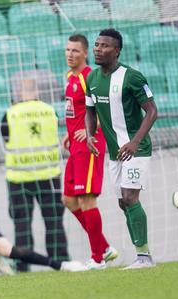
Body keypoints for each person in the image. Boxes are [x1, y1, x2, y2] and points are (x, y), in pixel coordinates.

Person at [85, 29, 158, 269]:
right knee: (122, 202)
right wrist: (89, 134)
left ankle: (144, 258)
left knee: (129, 197)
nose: (98, 49)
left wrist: (135, 142)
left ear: (117, 51)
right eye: (96, 44)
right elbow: (90, 110)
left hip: (136, 149)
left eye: (104, 45)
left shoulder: (132, 77)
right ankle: (142, 255)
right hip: (115, 153)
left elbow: (152, 111)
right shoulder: (92, 79)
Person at [61, 33, 119, 269]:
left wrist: (91, 130)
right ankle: (104, 247)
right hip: (75, 146)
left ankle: (98, 258)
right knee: (68, 199)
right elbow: (77, 110)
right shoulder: (69, 77)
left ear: (85, 53)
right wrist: (70, 131)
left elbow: (104, 108)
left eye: (75, 51)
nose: (70, 55)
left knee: (86, 200)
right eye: (67, 50)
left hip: (89, 146)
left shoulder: (90, 77)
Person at [1, 78, 69, 272]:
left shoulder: (10, 114)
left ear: (19, 94)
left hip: (19, 179)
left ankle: (23, 266)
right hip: (49, 176)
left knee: (22, 225)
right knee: (54, 222)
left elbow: (6, 140)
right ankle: (61, 261)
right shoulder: (50, 111)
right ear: (37, 92)